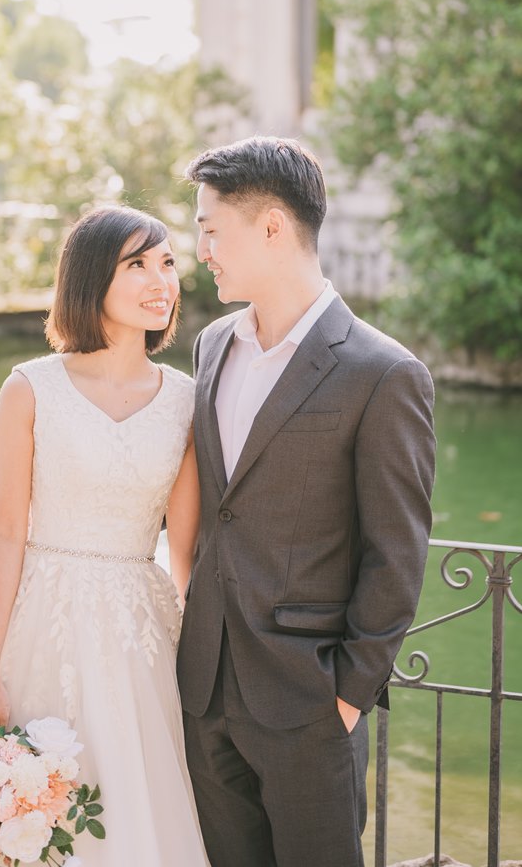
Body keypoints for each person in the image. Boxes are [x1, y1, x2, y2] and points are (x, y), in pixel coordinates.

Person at [0, 206, 210, 867]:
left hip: (138, 632)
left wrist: (195, 655)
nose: (159, 279)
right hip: (34, 621)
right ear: (89, 279)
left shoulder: (186, 400)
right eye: (136, 264)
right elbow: (4, 537)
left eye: (167, 262)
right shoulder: (30, 388)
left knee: (131, 803)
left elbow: (186, 552)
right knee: (16, 810)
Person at [177, 135, 436, 867]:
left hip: (310, 705)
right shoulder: (211, 346)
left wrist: (347, 699)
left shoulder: (383, 373)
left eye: (209, 228)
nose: (201, 249)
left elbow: (397, 554)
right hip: (207, 692)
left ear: (270, 227)